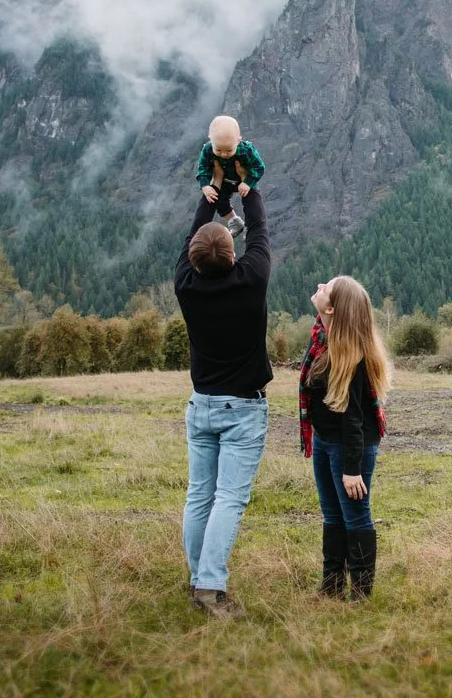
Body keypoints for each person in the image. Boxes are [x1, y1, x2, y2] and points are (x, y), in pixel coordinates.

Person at [173, 179, 271, 618]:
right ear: (233, 256)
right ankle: (210, 588)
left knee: (199, 495)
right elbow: (262, 234)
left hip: (201, 405)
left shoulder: (186, 288)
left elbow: (192, 244)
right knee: (228, 498)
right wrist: (249, 195)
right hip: (243, 410)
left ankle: (198, 579)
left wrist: (207, 201)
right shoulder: (251, 282)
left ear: (194, 261)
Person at [298, 276, 392, 600]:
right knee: (332, 514)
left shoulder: (349, 357)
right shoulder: (323, 338)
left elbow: (354, 421)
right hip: (326, 440)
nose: (321, 285)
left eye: (328, 287)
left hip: (351, 446)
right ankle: (332, 586)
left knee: (355, 514)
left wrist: (351, 469)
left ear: (335, 308)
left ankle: (360, 594)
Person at [195, 114, 265, 239]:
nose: (223, 154)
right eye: (219, 150)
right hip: (224, 181)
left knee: (253, 204)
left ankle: (251, 229)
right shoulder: (207, 150)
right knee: (217, 201)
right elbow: (203, 168)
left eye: (229, 150)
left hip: (245, 180)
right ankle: (234, 221)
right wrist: (205, 186)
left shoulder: (246, 150)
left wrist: (248, 182)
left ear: (238, 140)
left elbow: (259, 167)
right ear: (211, 139)